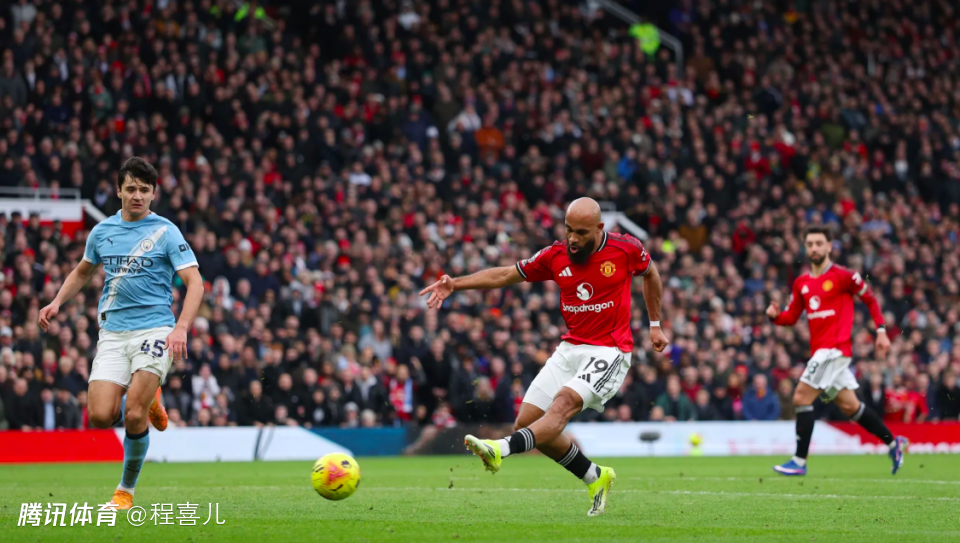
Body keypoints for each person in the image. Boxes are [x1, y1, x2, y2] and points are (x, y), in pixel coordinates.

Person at [420, 197, 668, 516]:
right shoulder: (555, 255)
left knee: (562, 405)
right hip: (570, 348)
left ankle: (501, 449)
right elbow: (505, 275)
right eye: (568, 230)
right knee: (528, 422)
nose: (573, 239)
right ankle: (595, 476)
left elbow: (652, 274)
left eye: (581, 232)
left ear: (599, 228)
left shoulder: (625, 249)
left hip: (610, 350)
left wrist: (656, 325)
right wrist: (456, 284)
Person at [38, 157, 203, 509]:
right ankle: (150, 402)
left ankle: (125, 491)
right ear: (119, 190)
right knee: (99, 416)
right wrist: (56, 302)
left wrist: (181, 327)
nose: (138, 196)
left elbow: (195, 283)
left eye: (145, 190)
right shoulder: (102, 232)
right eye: (131, 188)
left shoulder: (166, 231)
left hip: (155, 329)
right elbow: (83, 272)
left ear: (153, 194)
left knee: (133, 414)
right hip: (112, 333)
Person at [766, 225, 906, 476]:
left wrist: (882, 331)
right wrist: (776, 317)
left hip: (835, 350)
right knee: (851, 406)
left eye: (819, 243)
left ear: (830, 246)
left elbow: (870, 299)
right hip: (821, 352)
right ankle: (894, 444)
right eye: (809, 244)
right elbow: (791, 316)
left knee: (800, 398)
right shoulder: (802, 283)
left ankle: (799, 461)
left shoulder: (845, 276)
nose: (814, 248)